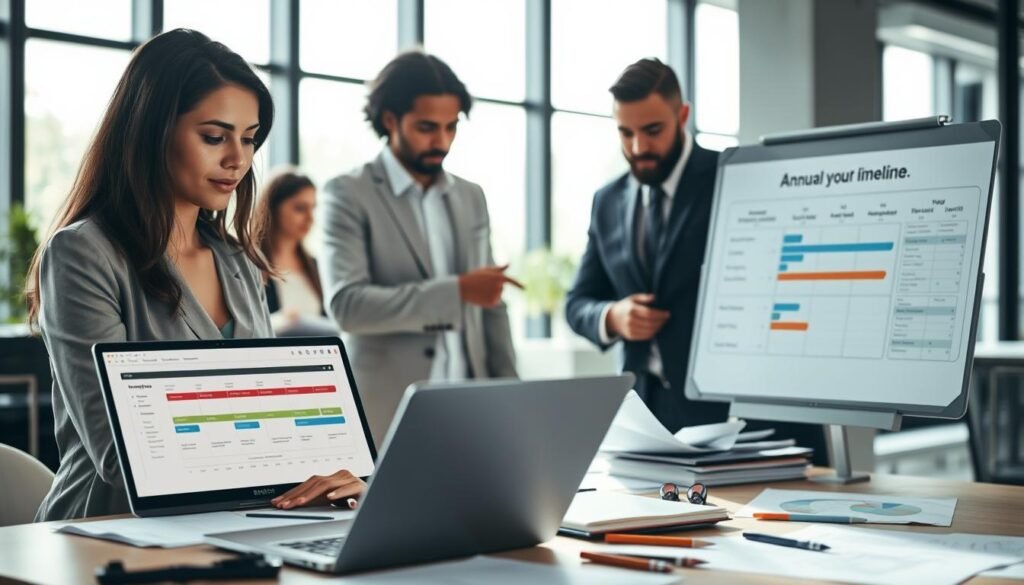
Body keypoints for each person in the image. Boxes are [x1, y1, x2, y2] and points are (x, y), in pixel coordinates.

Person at [26, 28, 284, 521]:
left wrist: (319, 472)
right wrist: (274, 457)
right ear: (152, 129)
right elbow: (118, 452)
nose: (238, 159)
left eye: (249, 139)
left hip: (233, 520)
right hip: (110, 529)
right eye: (214, 137)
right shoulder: (84, 254)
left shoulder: (237, 262)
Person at [565, 59, 825, 458]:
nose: (638, 148)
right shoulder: (607, 201)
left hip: (736, 416)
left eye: (652, 131)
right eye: (626, 133)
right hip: (645, 419)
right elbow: (578, 302)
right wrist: (613, 316)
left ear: (682, 115)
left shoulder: (735, 178)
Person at [319, 50, 520, 446]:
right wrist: (457, 291)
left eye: (451, 127)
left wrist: (513, 399)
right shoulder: (347, 193)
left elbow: (491, 304)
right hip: (386, 414)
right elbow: (348, 306)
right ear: (391, 119)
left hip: (472, 409)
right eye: (427, 127)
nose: (441, 141)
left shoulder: (471, 196)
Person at [254, 167, 335, 336]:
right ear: (272, 207)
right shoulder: (249, 264)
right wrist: (280, 321)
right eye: (299, 208)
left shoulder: (316, 266)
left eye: (313, 208)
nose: (310, 218)